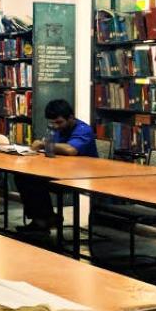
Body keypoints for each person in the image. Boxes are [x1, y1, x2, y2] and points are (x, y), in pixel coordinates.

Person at [15, 99, 98, 233]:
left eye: (59, 122)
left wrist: (43, 144)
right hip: (63, 171)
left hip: (83, 175)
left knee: (34, 180)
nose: (56, 126)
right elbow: (52, 149)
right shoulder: (59, 129)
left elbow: (71, 150)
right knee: (23, 176)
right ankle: (42, 219)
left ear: (71, 117)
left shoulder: (84, 130)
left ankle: (45, 219)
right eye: (53, 123)